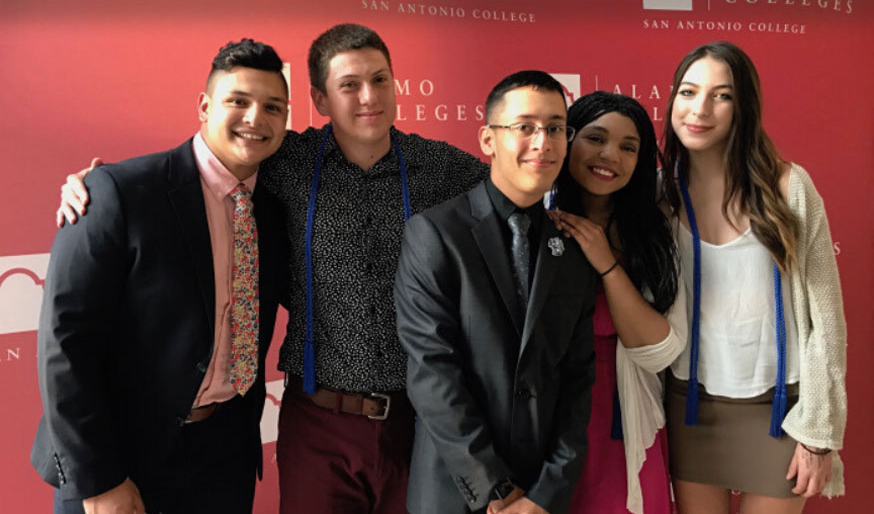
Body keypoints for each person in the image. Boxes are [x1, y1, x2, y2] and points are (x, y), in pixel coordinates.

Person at [55, 23, 488, 514]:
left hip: (414, 419)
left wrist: (556, 210)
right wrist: (99, 184)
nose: (368, 97)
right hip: (316, 420)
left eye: (380, 80)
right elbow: (208, 161)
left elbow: (508, 188)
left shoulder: (442, 167)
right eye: (349, 84)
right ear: (321, 99)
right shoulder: (289, 160)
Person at [32, 39, 289, 514]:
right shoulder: (119, 192)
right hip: (120, 459)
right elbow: (65, 343)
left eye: (273, 106)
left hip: (223, 463)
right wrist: (99, 481)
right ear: (204, 106)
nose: (256, 118)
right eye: (238, 101)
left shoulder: (274, 212)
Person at [395, 70, 596, 514]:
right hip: (457, 490)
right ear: (488, 139)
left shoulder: (572, 249)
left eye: (556, 128)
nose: (543, 142)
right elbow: (432, 374)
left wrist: (546, 493)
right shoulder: (436, 234)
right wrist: (498, 491)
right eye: (525, 126)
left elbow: (577, 382)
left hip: (542, 496)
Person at [661, 41, 847, 514]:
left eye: (721, 95)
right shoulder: (659, 194)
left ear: (743, 107)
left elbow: (826, 322)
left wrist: (818, 433)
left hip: (781, 413)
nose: (700, 109)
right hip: (690, 407)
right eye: (688, 91)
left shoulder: (789, 187)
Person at [549, 91, 686, 514]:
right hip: (550, 420)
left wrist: (606, 263)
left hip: (624, 419)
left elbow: (659, 350)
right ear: (567, 139)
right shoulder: (533, 220)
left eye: (629, 147)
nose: (610, 155)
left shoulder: (652, 233)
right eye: (595, 138)